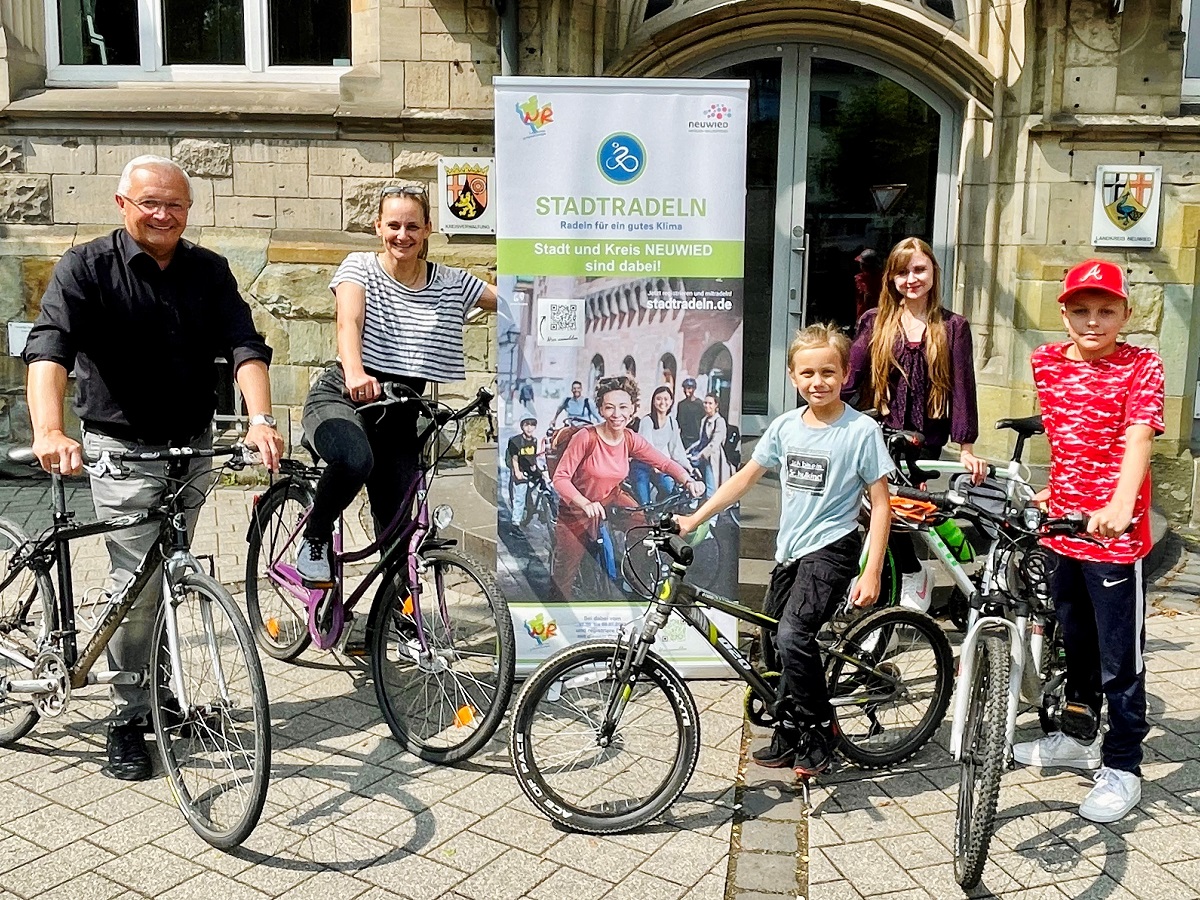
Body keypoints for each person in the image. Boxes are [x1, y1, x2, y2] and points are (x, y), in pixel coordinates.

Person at [22, 154, 285, 782]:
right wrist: (50, 430)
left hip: (189, 445)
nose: (164, 214)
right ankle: (125, 714)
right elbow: (49, 350)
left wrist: (259, 418)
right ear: (123, 205)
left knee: (172, 572)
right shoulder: (85, 267)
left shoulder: (208, 271)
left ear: (188, 211)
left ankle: (158, 697)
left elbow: (246, 346)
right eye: (151, 203)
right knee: (136, 584)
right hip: (120, 444)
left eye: (176, 205)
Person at [677, 323, 893, 777]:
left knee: (794, 635)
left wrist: (871, 569)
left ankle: (820, 727)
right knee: (772, 642)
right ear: (794, 377)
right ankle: (791, 728)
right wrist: (694, 518)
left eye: (828, 372)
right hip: (790, 550)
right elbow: (743, 479)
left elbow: (880, 506)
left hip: (833, 548)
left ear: (845, 373)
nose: (819, 382)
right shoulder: (785, 427)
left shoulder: (860, 431)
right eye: (808, 373)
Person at [1012, 259, 1164, 824]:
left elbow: (1138, 435)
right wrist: (1056, 489)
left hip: (1115, 538)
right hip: (1063, 529)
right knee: (1072, 640)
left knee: (1118, 656)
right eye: (1082, 310)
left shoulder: (1142, 365)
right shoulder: (1046, 362)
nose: (1093, 321)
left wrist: (1122, 504)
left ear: (1126, 312)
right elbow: (1072, 439)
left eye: (1106, 310)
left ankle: (1123, 765)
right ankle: (1077, 739)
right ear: (1065, 312)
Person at [296, 184, 497, 585]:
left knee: (399, 530)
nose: (401, 235)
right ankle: (315, 536)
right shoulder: (359, 267)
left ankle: (401, 627)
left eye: (411, 226)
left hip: (401, 409)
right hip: (346, 394)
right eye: (393, 225)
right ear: (378, 227)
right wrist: (355, 372)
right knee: (355, 459)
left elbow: (512, 298)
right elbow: (348, 321)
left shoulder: (450, 281)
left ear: (427, 229)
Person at [843, 237, 986, 608]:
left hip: (925, 437)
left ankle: (938, 567)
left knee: (910, 508)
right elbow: (851, 374)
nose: (911, 279)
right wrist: (823, 408)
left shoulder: (953, 326)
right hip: (882, 433)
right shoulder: (875, 322)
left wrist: (966, 446)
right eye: (903, 272)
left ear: (933, 273)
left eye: (919, 270)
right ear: (891, 278)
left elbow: (962, 385)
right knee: (881, 507)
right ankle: (911, 571)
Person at [549, 375, 704, 602]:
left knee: (642, 527)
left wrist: (687, 480)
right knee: (565, 571)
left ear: (632, 409)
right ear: (601, 409)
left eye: (623, 407)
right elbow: (560, 478)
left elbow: (662, 461)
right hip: (578, 507)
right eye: (609, 407)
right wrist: (585, 503)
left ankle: (632, 578)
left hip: (612, 497)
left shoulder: (630, 438)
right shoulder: (586, 437)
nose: (617, 414)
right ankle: (555, 617)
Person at [631, 385, 694, 505]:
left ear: (671, 402)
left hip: (659, 466)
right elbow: (647, 449)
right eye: (659, 399)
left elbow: (677, 450)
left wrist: (688, 467)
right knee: (644, 504)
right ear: (653, 401)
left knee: (669, 490)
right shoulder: (647, 421)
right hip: (642, 466)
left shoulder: (672, 422)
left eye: (666, 399)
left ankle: (659, 515)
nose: (662, 402)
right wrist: (656, 466)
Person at [689, 393, 732, 498]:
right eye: (705, 403)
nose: (707, 406)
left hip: (712, 458)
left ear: (716, 405)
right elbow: (701, 440)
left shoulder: (719, 421)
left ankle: (713, 513)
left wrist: (700, 456)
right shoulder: (704, 420)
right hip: (701, 456)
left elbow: (714, 444)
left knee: (711, 488)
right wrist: (688, 451)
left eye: (710, 403)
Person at [505, 415, 540, 529]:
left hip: (529, 469)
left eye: (532, 425)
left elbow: (533, 457)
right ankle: (515, 523)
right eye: (526, 425)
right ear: (522, 426)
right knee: (520, 495)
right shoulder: (516, 441)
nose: (529, 428)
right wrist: (517, 472)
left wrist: (536, 469)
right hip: (519, 469)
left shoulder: (534, 441)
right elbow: (514, 458)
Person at [853, 248, 884, 323]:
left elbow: (867, 298)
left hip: (865, 316)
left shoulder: (861, 279)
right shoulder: (883, 277)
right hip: (881, 313)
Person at [676, 377, 705, 447]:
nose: (686, 391)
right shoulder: (681, 404)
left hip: (696, 439)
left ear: (694, 389)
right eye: (685, 388)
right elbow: (678, 421)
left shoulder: (700, 404)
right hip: (684, 438)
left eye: (689, 388)